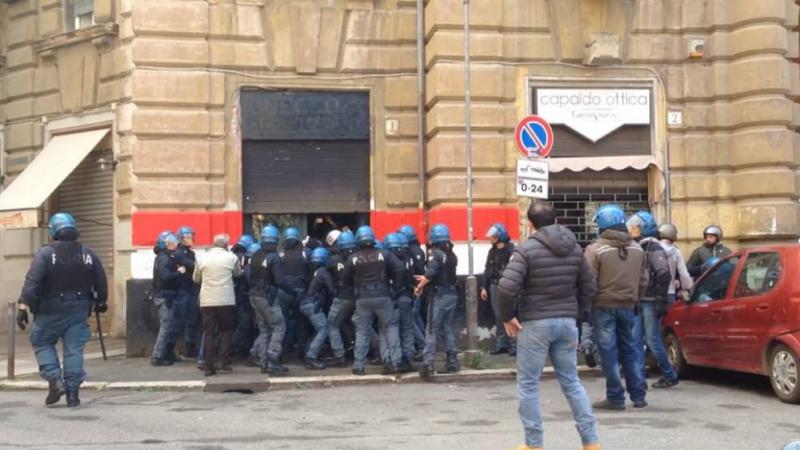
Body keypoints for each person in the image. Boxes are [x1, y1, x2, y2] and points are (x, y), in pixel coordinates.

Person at [497, 201, 599, 450]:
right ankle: (591, 442)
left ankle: (534, 444)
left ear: (530, 224)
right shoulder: (575, 248)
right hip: (567, 322)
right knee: (572, 382)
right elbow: (589, 287)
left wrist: (508, 316)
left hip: (535, 323)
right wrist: (577, 314)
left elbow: (506, 287)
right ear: (555, 220)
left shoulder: (527, 249)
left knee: (529, 384)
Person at [16, 213, 108, 408]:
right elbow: (101, 279)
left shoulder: (46, 253)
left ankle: (55, 381)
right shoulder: (88, 253)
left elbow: (33, 281)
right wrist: (102, 301)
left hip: (49, 310)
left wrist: (23, 306)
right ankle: (73, 394)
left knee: (41, 342)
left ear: (53, 231)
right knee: (74, 349)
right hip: (79, 309)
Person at [584, 204, 649, 411]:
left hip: (603, 306)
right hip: (629, 305)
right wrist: (636, 299)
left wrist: (586, 306)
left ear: (602, 224)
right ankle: (638, 396)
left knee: (608, 353)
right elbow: (644, 280)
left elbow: (588, 282)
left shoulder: (595, 249)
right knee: (630, 349)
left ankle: (615, 397)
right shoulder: (638, 248)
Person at [343, 225, 405, 375]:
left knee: (362, 331)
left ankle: (359, 366)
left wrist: (354, 288)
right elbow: (400, 268)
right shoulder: (384, 254)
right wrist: (396, 288)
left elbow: (344, 279)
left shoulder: (353, 258)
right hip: (383, 296)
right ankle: (395, 362)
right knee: (390, 328)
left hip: (362, 298)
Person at [627, 212, 679, 389]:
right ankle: (639, 376)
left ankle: (669, 374)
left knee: (652, 340)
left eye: (633, 227)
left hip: (650, 300)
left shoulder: (654, 248)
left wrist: (661, 299)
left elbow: (664, 273)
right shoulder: (640, 246)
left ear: (642, 228)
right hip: (641, 300)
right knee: (635, 340)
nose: (629, 229)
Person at [414, 224, 460, 379]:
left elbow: (431, 273)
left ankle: (428, 364)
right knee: (447, 327)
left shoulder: (435, 254)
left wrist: (420, 286)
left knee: (431, 330)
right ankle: (452, 360)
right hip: (452, 294)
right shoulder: (452, 255)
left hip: (439, 295)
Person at [192, 234, 242, 376]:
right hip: (226, 300)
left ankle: (209, 367)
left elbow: (196, 278)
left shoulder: (202, 258)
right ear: (226, 245)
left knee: (208, 333)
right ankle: (224, 362)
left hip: (207, 301)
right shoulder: (231, 257)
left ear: (213, 244)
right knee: (226, 331)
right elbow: (238, 274)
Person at [248, 225, 290, 374]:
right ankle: (273, 360)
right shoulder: (274, 257)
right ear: (276, 240)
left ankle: (264, 362)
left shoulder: (255, 255)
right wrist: (292, 291)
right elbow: (279, 280)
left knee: (264, 329)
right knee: (279, 326)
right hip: (267, 297)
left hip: (254, 296)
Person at [480, 223, 517, 356]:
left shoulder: (511, 250)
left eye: (493, 237)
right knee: (498, 316)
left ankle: (514, 345)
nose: (491, 239)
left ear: (500, 236)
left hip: (507, 286)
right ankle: (502, 344)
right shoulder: (492, 251)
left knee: (510, 314)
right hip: (494, 285)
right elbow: (487, 269)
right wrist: (484, 287)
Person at [150, 231, 184, 366]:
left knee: (169, 326)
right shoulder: (164, 258)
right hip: (165, 296)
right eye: (172, 242)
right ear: (165, 244)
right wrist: (178, 272)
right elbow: (165, 277)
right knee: (166, 326)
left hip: (164, 295)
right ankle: (157, 356)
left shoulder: (163, 257)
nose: (175, 244)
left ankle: (167, 353)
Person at [385, 233, 417, 372]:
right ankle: (408, 359)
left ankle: (395, 360)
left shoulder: (388, 259)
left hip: (393, 298)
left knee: (392, 329)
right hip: (407, 297)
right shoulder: (408, 258)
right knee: (407, 329)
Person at [278, 227, 311, 357]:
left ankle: (283, 350)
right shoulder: (306, 253)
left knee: (283, 323)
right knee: (301, 322)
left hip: (284, 291)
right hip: (300, 291)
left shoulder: (280, 254)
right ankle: (302, 351)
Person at [327, 230, 358, 367]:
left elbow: (328, 272)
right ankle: (376, 351)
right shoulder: (358, 257)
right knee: (362, 326)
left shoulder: (334, 259)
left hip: (342, 297)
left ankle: (340, 356)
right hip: (358, 296)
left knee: (333, 325)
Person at [301, 247, 335, 370]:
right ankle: (311, 357)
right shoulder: (323, 272)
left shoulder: (313, 272)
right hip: (313, 304)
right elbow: (332, 290)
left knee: (318, 329)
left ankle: (308, 352)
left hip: (306, 303)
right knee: (324, 329)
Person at [399, 224, 427, 359]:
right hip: (418, 287)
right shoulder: (419, 250)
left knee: (412, 319)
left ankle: (423, 346)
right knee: (416, 317)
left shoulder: (411, 251)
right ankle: (425, 343)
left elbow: (415, 271)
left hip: (415, 288)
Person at [174, 226, 200, 358]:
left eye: (191, 236)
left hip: (192, 288)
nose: (190, 239)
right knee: (179, 319)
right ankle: (174, 348)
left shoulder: (190, 252)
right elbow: (192, 265)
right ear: (181, 238)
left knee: (192, 319)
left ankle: (190, 347)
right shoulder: (179, 252)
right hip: (183, 288)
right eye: (187, 237)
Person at [231, 235, 257, 358]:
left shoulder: (231, 254)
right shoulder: (242, 258)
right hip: (242, 296)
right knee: (245, 323)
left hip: (233, 295)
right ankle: (234, 347)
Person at [657, 223, 693, 305]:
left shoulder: (652, 249)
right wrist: (689, 290)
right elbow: (684, 274)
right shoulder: (676, 251)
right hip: (670, 291)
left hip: (653, 293)